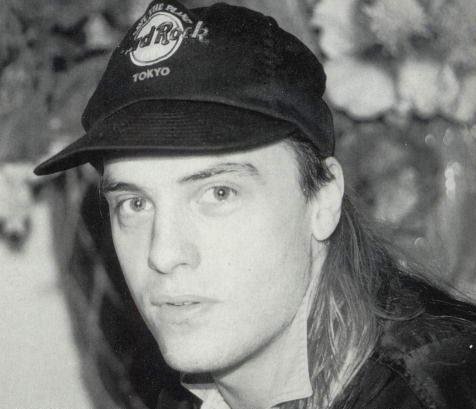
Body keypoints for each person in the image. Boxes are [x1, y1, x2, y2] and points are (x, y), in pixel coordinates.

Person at [34, 1, 476, 408]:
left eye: (219, 193)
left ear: (323, 199)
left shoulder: (435, 391)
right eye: (134, 204)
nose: (163, 255)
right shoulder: (185, 387)